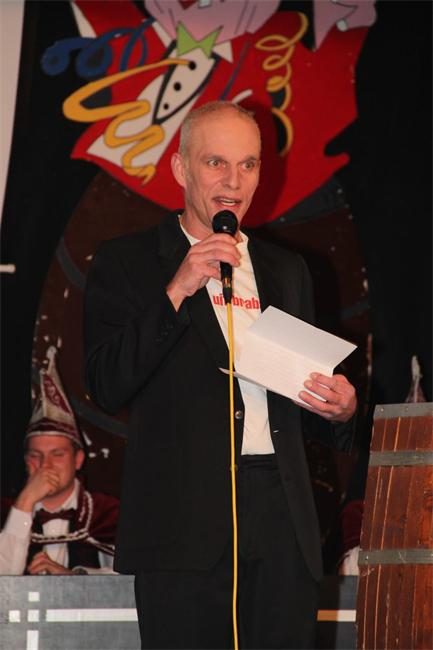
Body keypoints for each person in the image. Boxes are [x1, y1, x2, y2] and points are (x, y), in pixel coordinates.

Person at [84, 100, 357, 649]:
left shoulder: (287, 270)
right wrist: (177, 290)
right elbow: (106, 383)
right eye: (216, 163)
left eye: (248, 164)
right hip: (182, 520)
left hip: (280, 516)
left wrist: (340, 408)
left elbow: (303, 404)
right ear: (181, 168)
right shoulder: (128, 261)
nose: (234, 181)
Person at [0, 349, 119, 575]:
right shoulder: (5, 512)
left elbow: (128, 581)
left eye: (57, 454)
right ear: (26, 461)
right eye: (36, 455)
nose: (46, 465)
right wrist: (25, 501)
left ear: (78, 459)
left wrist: (71, 578)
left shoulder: (106, 514)